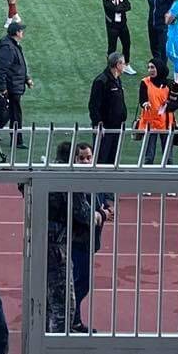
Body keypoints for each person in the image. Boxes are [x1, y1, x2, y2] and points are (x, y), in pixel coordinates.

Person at [46, 143, 103, 333]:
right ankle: (56, 345)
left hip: (39, 243)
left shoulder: (47, 172)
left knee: (45, 297)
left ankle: (43, 335)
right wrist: (99, 215)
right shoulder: (69, 179)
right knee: (63, 305)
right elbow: (85, 215)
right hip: (59, 247)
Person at [0, 21, 31, 149]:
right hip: (12, 86)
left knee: (8, 111)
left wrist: (26, 79)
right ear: (16, 33)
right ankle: (17, 141)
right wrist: (3, 88)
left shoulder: (11, 45)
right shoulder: (9, 47)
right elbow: (1, 69)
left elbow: (17, 66)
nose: (22, 32)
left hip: (14, 84)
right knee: (15, 114)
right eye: (21, 30)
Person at [87, 51, 128, 165]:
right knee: (102, 160)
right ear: (117, 64)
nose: (125, 66)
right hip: (105, 130)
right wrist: (99, 124)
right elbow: (93, 105)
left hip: (116, 127)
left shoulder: (117, 79)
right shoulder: (101, 81)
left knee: (113, 160)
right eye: (124, 63)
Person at [136, 59, 177, 166]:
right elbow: (142, 99)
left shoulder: (169, 83)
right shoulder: (145, 82)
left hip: (166, 123)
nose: (150, 70)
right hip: (150, 123)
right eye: (149, 67)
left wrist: (168, 106)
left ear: (159, 68)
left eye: (153, 67)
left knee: (168, 159)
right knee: (148, 158)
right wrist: (145, 104)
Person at [103, 0, 135, 74]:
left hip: (123, 25)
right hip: (112, 26)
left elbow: (128, 6)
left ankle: (126, 65)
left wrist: (120, 7)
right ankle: (110, 67)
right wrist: (121, 6)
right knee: (112, 46)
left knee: (127, 44)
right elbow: (114, 9)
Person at [146, 0, 172, 65]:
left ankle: (163, 68)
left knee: (163, 48)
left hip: (162, 25)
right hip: (151, 24)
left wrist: (169, 16)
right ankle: (157, 66)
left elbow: (173, 5)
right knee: (153, 47)